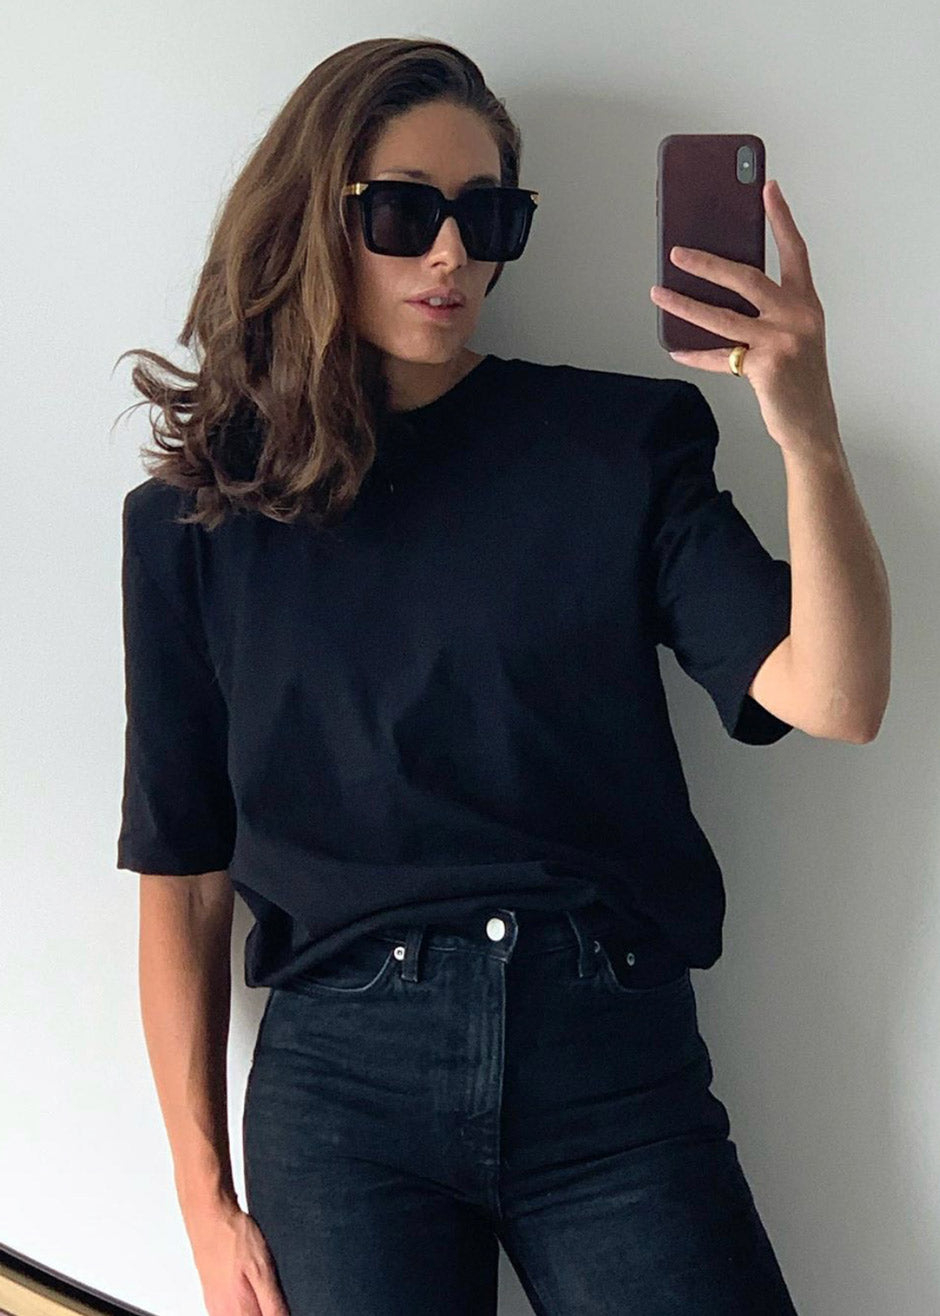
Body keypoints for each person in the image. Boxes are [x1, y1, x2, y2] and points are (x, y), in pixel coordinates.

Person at [115, 36, 803, 1315]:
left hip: (608, 1061)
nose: (451, 257)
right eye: (402, 213)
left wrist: (802, 423)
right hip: (341, 1089)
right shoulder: (193, 522)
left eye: (487, 219)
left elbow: (831, 693)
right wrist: (203, 1198)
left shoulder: (613, 444)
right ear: (310, 218)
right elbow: (183, 876)